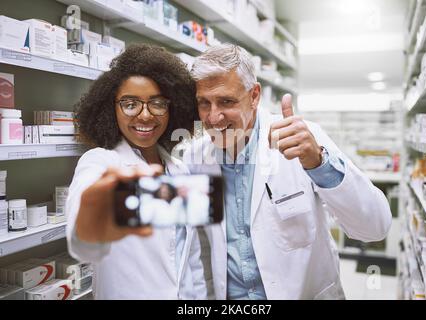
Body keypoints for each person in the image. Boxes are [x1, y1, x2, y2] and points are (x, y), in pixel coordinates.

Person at [183, 43, 392, 300]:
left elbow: (375, 228)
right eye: (204, 103)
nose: (214, 118)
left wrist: (319, 163)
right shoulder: (195, 158)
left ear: (254, 95)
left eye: (226, 101)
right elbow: (201, 247)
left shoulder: (303, 140)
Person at [65, 44, 206, 299]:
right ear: (112, 109)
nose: (145, 115)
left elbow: (190, 259)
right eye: (130, 104)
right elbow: (83, 237)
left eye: (157, 103)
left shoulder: (180, 170)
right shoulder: (100, 162)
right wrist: (91, 213)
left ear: (172, 109)